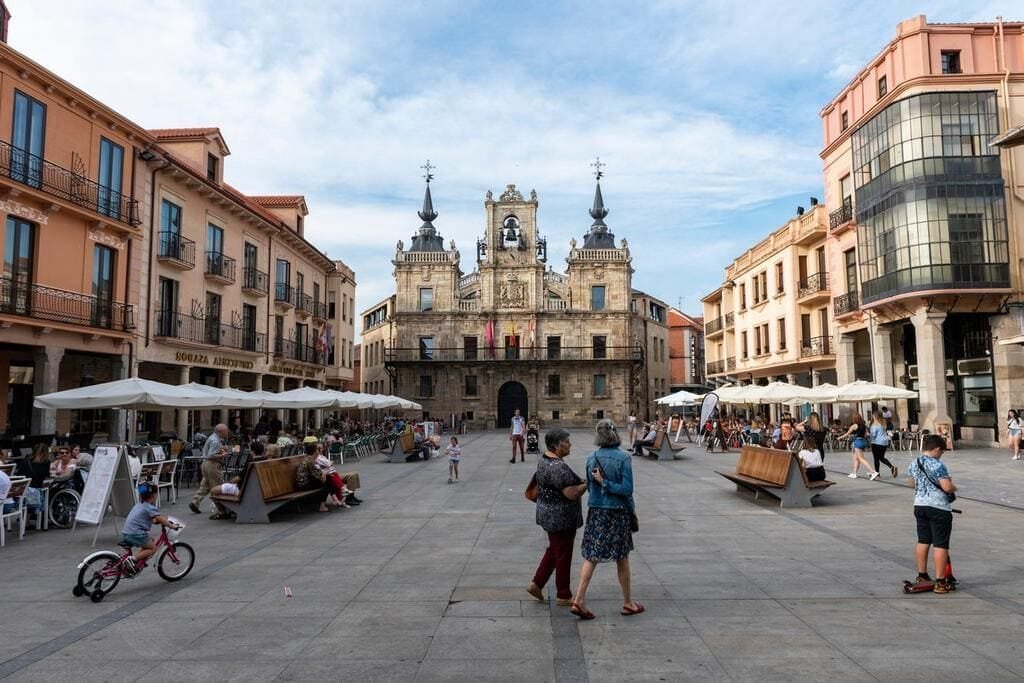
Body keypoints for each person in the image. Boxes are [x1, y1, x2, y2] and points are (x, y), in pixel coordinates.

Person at [571, 419, 643, 620]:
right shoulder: (623, 458)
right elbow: (627, 490)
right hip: (617, 512)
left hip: (596, 511)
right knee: (622, 556)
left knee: (591, 556)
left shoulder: (591, 457)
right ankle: (628, 603)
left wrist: (601, 483)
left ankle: (579, 599)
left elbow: (590, 486)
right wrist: (607, 483)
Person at [528, 428, 588, 607]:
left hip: (547, 513)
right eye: (567, 441)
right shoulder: (558, 467)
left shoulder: (545, 460)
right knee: (563, 553)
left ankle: (536, 583)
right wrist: (587, 485)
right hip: (560, 517)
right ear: (556, 445)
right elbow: (571, 493)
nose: (570, 444)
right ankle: (563, 594)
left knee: (555, 549)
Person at [907, 434, 958, 593]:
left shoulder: (914, 463)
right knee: (941, 544)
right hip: (938, 508)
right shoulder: (938, 465)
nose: (941, 454)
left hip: (919, 505)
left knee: (923, 540)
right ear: (936, 449)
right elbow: (947, 487)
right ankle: (941, 582)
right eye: (941, 451)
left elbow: (911, 483)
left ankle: (922, 575)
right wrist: (954, 487)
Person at [121, 483, 180, 576]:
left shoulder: (139, 505)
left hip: (127, 532)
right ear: (154, 495)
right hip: (136, 533)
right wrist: (172, 526)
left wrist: (154, 521)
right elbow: (159, 518)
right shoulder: (150, 507)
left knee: (150, 541)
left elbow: (146, 518)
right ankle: (132, 559)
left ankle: (137, 561)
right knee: (153, 548)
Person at [189, 423, 230, 519]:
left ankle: (195, 502)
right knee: (217, 486)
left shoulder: (213, 437)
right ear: (220, 432)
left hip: (205, 464)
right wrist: (223, 455)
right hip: (212, 464)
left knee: (206, 485)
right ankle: (220, 510)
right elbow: (211, 455)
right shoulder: (215, 441)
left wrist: (222, 450)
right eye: (226, 431)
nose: (227, 432)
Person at [842, 412, 879, 480]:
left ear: (854, 419)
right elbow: (866, 434)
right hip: (863, 441)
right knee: (856, 459)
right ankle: (854, 473)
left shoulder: (854, 426)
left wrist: (840, 437)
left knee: (861, 459)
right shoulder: (863, 425)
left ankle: (873, 472)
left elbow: (847, 434)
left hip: (858, 442)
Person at [314, 443, 351, 508]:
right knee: (331, 479)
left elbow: (328, 464)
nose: (320, 450)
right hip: (324, 475)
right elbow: (328, 464)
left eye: (321, 448)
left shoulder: (322, 456)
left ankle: (341, 498)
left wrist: (329, 464)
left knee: (334, 478)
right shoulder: (317, 458)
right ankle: (340, 494)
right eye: (318, 448)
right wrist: (330, 463)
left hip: (328, 473)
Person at [869, 411, 898, 478]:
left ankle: (877, 474)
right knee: (881, 457)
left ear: (874, 416)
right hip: (884, 443)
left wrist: (868, 434)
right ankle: (891, 467)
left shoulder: (874, 425)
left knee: (876, 459)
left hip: (876, 443)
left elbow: (873, 435)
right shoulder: (883, 423)